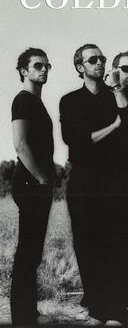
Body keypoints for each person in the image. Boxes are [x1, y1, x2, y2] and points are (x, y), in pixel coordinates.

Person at [59, 45, 128, 325]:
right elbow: (77, 141)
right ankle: (98, 307)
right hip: (85, 182)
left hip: (115, 182)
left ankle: (116, 307)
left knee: (116, 245)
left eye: (102, 58)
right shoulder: (71, 100)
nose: (100, 63)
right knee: (88, 245)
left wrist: (116, 119)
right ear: (80, 67)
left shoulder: (111, 96)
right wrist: (112, 128)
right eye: (93, 60)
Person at [11, 48, 54, 325]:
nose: (44, 69)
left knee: (32, 251)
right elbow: (20, 145)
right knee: (28, 252)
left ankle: (28, 312)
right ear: (24, 71)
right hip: (30, 183)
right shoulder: (24, 100)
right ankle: (22, 316)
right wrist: (41, 179)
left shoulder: (35, 102)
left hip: (35, 183)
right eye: (37, 65)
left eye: (47, 65)